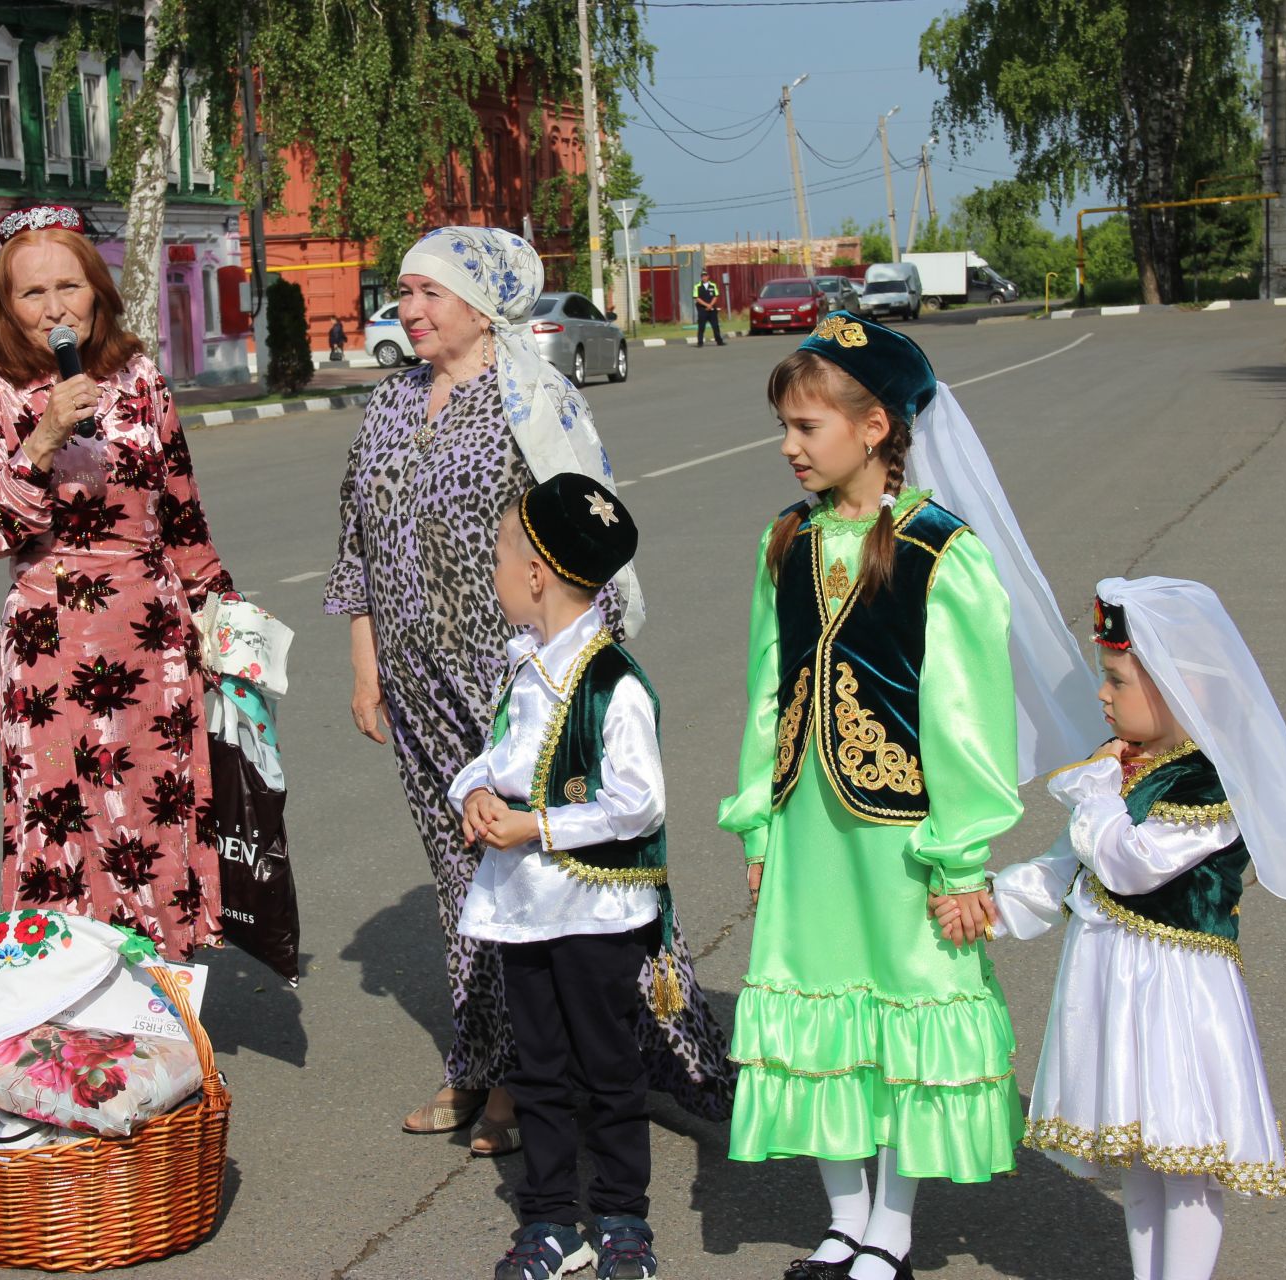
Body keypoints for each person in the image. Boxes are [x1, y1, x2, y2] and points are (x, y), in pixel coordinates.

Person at [325, 226, 733, 1156]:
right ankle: (486, 1058)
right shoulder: (388, 404)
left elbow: (586, 543)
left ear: (481, 305)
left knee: (525, 867)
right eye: (404, 293)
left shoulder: (532, 402)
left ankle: (530, 1075)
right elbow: (356, 533)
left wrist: (583, 676)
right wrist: (364, 661)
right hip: (415, 679)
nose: (411, 312)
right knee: (455, 872)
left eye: (430, 295)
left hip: (511, 679)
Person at [719, 312, 1100, 1280]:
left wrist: (959, 853)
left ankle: (891, 1225)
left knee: (905, 1008)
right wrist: (757, 817)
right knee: (819, 1012)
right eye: (787, 426)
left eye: (807, 426)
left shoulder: (939, 551)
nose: (788, 445)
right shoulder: (785, 541)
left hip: (900, 836)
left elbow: (964, 719)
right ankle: (842, 1219)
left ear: (876, 426)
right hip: (810, 823)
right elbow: (770, 685)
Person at [947, 577, 1286, 1280]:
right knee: (1135, 1153)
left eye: (1116, 680)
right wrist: (991, 904)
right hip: (1109, 979)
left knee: (1181, 1152)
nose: (1102, 695)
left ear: (1177, 689)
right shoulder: (1127, 764)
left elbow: (1130, 864)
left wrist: (1096, 789)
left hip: (1176, 990)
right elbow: (1066, 864)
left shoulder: (1209, 783)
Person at [0, 204, 235, 957]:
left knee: (153, 816)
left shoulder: (139, 378)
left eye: (68, 288)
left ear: (97, 292)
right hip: (53, 645)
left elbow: (183, 513)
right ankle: (75, 1006)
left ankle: (164, 1004)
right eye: (32, 295)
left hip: (154, 641)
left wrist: (225, 617)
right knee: (68, 821)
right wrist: (41, 440)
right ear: (7, 307)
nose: (54, 309)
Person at [449, 474, 676, 1280]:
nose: (498, 576)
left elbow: (638, 803)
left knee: (607, 1068)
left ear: (537, 575)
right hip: (524, 908)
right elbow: (498, 756)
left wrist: (535, 826)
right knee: (535, 1066)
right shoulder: (526, 669)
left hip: (594, 910)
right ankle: (550, 1219)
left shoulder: (613, 683)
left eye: (502, 560)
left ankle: (620, 1215)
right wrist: (474, 789)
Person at [693, 275, 725, 347]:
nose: (704, 278)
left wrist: (710, 305)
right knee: (701, 327)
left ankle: (719, 341)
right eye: (702, 276)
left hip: (712, 309)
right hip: (702, 309)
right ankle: (700, 342)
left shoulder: (713, 285)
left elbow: (715, 296)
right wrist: (707, 305)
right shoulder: (697, 286)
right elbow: (696, 298)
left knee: (715, 326)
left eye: (705, 276)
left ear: (708, 277)